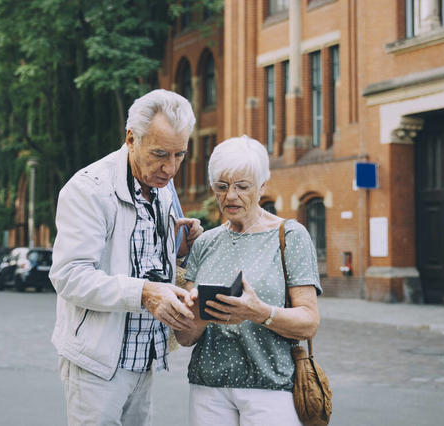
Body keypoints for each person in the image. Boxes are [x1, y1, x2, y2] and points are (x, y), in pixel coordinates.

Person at [50, 89, 204, 426]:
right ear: (131, 138)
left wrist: (180, 251)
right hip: (96, 363)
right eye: (160, 154)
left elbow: (142, 261)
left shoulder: (162, 191)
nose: (171, 168)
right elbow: (69, 276)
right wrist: (145, 294)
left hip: (144, 358)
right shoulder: (88, 189)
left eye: (180, 155)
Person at [174, 135, 322, 426]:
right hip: (208, 387)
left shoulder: (290, 236)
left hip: (270, 387)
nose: (230, 196)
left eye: (242, 186)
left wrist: (259, 312)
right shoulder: (206, 243)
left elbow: (309, 322)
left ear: (262, 186)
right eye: (222, 186)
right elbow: (185, 337)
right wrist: (198, 315)